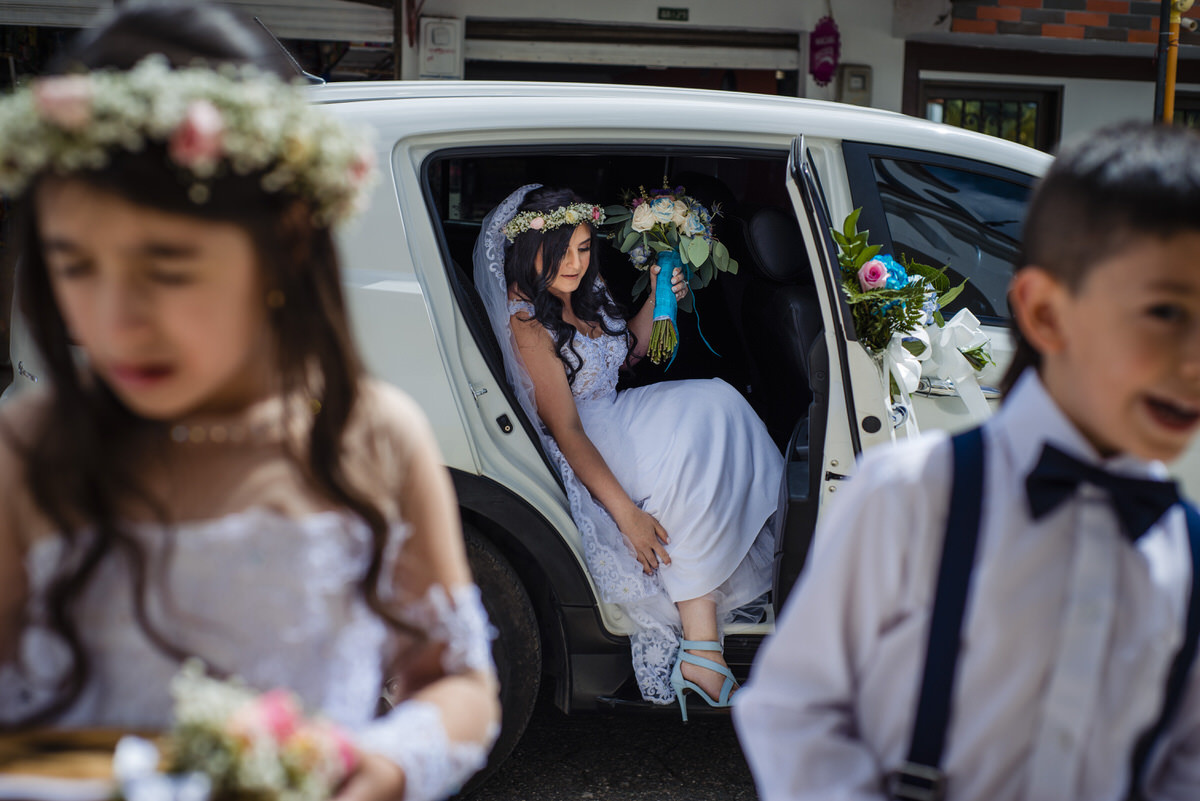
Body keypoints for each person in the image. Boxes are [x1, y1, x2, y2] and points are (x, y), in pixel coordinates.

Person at [0, 4, 499, 801]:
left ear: (287, 241)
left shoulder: (373, 440)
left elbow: (458, 683)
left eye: (167, 267)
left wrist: (379, 764)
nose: (115, 320)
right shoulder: (29, 447)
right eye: (75, 264)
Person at [733, 122, 1200, 800]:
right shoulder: (910, 496)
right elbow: (792, 706)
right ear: (1044, 313)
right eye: (1164, 312)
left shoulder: (1183, 550)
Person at [473, 184, 783, 717]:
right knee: (693, 443)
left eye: (585, 248)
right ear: (528, 252)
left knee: (722, 406)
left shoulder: (583, 294)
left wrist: (660, 297)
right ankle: (701, 650)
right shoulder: (527, 322)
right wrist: (627, 516)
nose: (576, 262)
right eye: (562, 251)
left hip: (618, 412)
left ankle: (753, 593)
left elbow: (628, 354)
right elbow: (566, 427)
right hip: (590, 440)